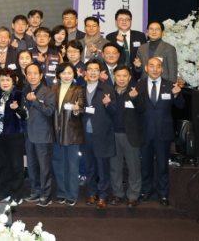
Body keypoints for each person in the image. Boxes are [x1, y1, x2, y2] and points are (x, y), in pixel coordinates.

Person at [138, 57, 185, 207]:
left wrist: (177, 94)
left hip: (163, 132)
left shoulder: (171, 85)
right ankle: (146, 190)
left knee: (162, 164)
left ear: (162, 69)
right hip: (145, 131)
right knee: (145, 164)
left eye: (158, 66)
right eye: (151, 66)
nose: (155, 69)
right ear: (146, 68)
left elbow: (181, 106)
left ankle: (163, 193)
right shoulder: (139, 85)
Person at [79, 60, 116, 209]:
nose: (93, 72)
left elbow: (114, 111)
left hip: (102, 134)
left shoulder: (107, 88)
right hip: (85, 134)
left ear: (100, 72)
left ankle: (103, 196)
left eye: (96, 69)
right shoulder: (80, 89)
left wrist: (108, 104)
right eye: (90, 69)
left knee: (102, 167)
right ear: (85, 72)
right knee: (89, 166)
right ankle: (91, 193)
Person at [109, 65, 146, 208]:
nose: (121, 79)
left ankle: (133, 195)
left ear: (129, 77)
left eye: (124, 76)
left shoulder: (136, 91)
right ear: (114, 77)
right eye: (118, 76)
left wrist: (135, 98)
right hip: (113, 135)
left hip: (130, 135)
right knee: (115, 167)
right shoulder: (108, 93)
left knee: (134, 167)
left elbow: (142, 109)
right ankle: (117, 193)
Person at [50, 63, 85, 207]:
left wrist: (77, 110)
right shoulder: (52, 89)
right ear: (58, 74)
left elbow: (81, 110)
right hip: (55, 131)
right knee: (58, 163)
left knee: (72, 164)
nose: (66, 76)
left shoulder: (78, 90)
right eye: (63, 73)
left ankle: (72, 194)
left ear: (74, 74)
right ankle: (61, 193)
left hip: (71, 132)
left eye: (69, 73)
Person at [0, 68, 27, 204]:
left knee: (16, 166)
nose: (5, 82)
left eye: (8, 80)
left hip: (15, 135)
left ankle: (17, 194)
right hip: (0, 135)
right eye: (2, 80)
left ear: (13, 81)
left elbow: (25, 116)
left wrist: (17, 109)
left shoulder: (19, 94)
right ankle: (4, 192)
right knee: (3, 165)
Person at [22, 63, 56, 207]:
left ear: (41, 75)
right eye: (29, 73)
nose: (32, 76)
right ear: (25, 76)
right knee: (31, 166)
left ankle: (46, 195)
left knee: (44, 168)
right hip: (28, 135)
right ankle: (35, 192)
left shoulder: (49, 92)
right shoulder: (24, 91)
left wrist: (35, 101)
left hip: (43, 135)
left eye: (35, 73)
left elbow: (49, 111)